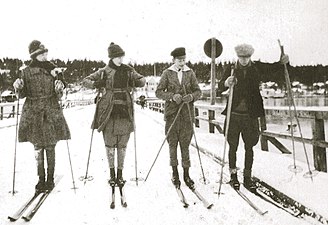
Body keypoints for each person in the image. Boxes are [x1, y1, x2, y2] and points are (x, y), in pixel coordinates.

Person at [218, 43, 289, 191]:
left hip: (250, 116)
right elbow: (220, 87)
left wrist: (283, 62)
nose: (244, 60)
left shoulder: (256, 67)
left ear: (250, 57)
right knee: (233, 146)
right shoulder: (231, 69)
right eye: (241, 57)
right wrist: (226, 82)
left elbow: (274, 68)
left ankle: (247, 178)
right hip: (234, 115)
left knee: (249, 146)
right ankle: (233, 177)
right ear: (238, 57)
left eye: (247, 57)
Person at [82, 42, 146, 188]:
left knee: (123, 143)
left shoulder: (129, 70)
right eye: (117, 57)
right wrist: (98, 83)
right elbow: (85, 81)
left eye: (121, 56)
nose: (120, 59)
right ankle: (111, 175)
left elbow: (142, 80)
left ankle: (120, 174)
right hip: (108, 110)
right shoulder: (104, 71)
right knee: (110, 142)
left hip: (124, 108)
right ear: (111, 57)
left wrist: (135, 81)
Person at [13, 40, 71, 192]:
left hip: (51, 110)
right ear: (35, 55)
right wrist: (18, 87)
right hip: (34, 112)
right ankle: (41, 179)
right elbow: (21, 95)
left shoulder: (55, 70)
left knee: (51, 146)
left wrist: (60, 87)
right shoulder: (25, 72)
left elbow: (60, 93)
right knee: (38, 147)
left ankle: (50, 179)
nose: (46, 55)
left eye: (46, 53)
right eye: (42, 53)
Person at [155, 47, 201, 189]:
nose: (182, 62)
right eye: (179, 60)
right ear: (173, 60)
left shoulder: (190, 72)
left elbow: (198, 91)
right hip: (172, 115)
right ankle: (175, 173)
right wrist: (171, 97)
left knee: (185, 144)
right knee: (173, 144)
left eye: (184, 59)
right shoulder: (167, 73)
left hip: (186, 115)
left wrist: (191, 96)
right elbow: (158, 92)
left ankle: (186, 174)